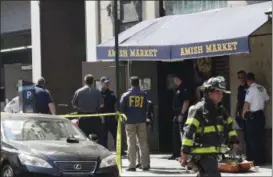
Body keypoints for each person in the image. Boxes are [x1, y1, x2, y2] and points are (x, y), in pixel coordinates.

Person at [180, 76, 239, 177]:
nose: (221, 95)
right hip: (201, 153)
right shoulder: (198, 109)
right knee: (213, 174)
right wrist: (184, 152)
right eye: (218, 91)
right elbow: (188, 131)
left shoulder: (220, 110)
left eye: (222, 92)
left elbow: (229, 126)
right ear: (209, 92)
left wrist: (233, 141)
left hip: (213, 152)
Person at [120, 76, 149, 171]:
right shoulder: (144, 94)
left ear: (130, 83)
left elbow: (122, 109)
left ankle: (132, 165)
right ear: (138, 83)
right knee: (143, 143)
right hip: (141, 121)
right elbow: (146, 108)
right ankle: (145, 164)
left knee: (131, 143)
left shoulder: (125, 95)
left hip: (130, 122)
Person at [242, 72, 269, 165]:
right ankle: (261, 159)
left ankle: (254, 160)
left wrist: (243, 114)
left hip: (253, 116)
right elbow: (267, 99)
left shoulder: (251, 89)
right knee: (260, 138)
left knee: (252, 139)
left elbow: (246, 103)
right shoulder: (262, 88)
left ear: (247, 81)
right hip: (261, 115)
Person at [72, 74, 104, 146]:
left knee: (82, 138)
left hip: (83, 118)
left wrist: (81, 106)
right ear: (92, 82)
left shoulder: (78, 92)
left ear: (84, 82)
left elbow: (74, 105)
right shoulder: (97, 91)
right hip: (95, 118)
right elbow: (102, 105)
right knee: (100, 138)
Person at [169, 74, 190, 160]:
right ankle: (176, 153)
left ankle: (182, 154)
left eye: (175, 79)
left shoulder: (183, 88)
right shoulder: (177, 88)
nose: (174, 81)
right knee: (176, 134)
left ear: (178, 79)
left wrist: (181, 114)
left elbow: (186, 101)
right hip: (177, 114)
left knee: (181, 134)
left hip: (182, 114)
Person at [136, 99, 154, 169]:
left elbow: (151, 115)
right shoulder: (138, 101)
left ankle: (145, 162)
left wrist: (150, 123)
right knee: (138, 144)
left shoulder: (148, 103)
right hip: (141, 123)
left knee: (143, 143)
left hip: (144, 124)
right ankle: (140, 162)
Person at [100, 76, 117, 149]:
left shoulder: (112, 93)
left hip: (111, 117)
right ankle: (105, 151)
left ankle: (119, 150)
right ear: (101, 83)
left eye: (108, 83)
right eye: (105, 83)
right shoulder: (99, 94)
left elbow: (115, 104)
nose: (107, 84)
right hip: (103, 118)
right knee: (103, 136)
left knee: (116, 134)